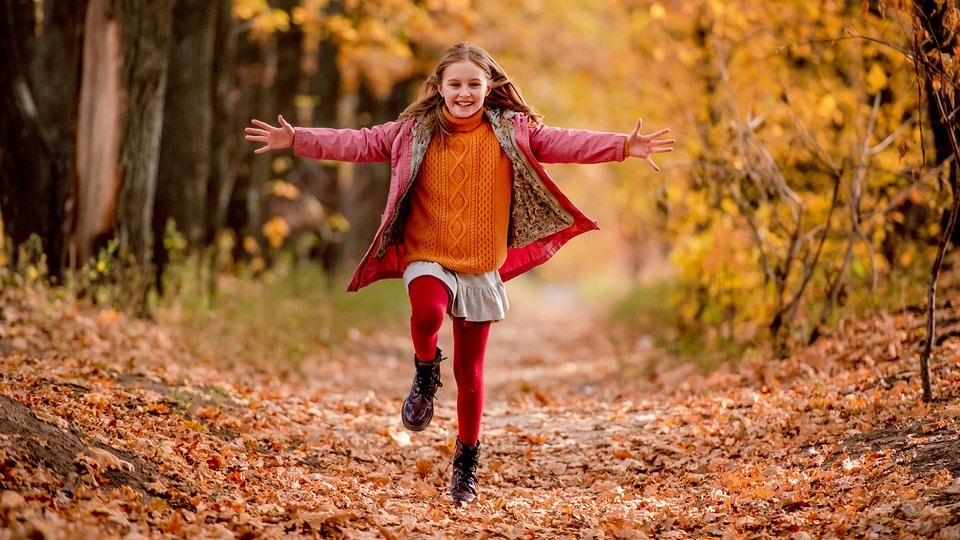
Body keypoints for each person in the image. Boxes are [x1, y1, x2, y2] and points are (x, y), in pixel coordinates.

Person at [245, 41, 674, 504]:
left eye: (474, 83)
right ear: (440, 88)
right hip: (427, 252)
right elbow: (360, 141)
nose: (465, 92)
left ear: (489, 87)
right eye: (456, 84)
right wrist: (298, 139)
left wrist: (623, 146)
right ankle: (425, 370)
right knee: (427, 311)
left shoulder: (514, 130)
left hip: (480, 264)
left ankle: (466, 464)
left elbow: (566, 141)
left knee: (471, 374)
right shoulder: (413, 130)